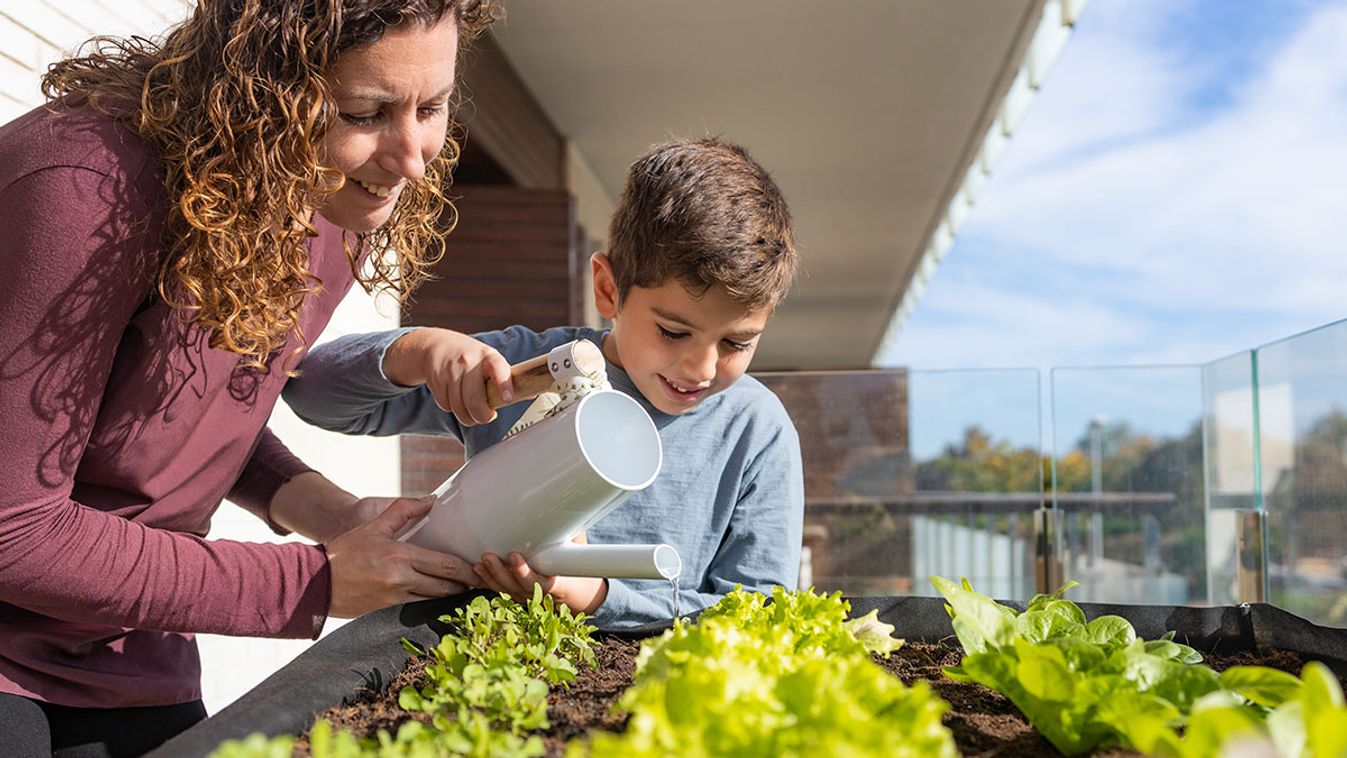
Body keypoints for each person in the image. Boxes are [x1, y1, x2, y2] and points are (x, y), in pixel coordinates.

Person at [0, 1, 496, 754]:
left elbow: (177, 408)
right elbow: (14, 528)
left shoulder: (326, 201)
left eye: (431, 107)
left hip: (123, 654)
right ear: (259, 93)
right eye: (366, 111)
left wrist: (339, 517)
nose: (412, 156)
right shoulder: (85, 189)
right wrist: (310, 584)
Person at [283, 137, 806, 628]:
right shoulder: (532, 368)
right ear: (607, 289)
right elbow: (309, 393)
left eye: (737, 344)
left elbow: (760, 615)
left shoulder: (756, 430)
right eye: (673, 332)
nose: (702, 368)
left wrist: (599, 598)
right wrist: (417, 352)